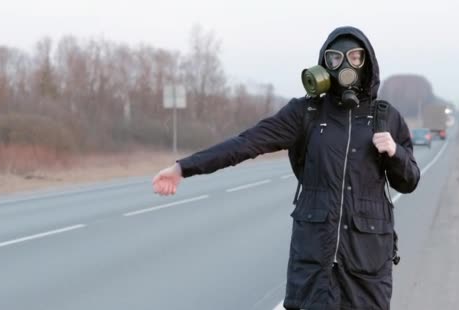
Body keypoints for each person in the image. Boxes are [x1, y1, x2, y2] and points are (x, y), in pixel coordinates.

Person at [152, 26, 420, 310]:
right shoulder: (306, 113)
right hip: (315, 266)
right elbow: (246, 143)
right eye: (334, 58)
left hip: (367, 265)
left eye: (355, 57)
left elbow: (409, 180)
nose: (345, 65)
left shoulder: (386, 117)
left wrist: (395, 152)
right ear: (323, 65)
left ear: (367, 63)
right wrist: (184, 167)